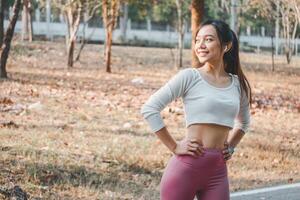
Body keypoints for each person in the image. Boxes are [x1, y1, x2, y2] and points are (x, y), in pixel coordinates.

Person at [140, 19, 252, 200]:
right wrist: (174, 146)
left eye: (208, 40)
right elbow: (150, 109)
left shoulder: (237, 84)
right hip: (186, 169)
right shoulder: (190, 77)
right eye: (197, 40)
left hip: (217, 173)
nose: (200, 45)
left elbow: (244, 122)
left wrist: (230, 147)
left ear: (226, 46)